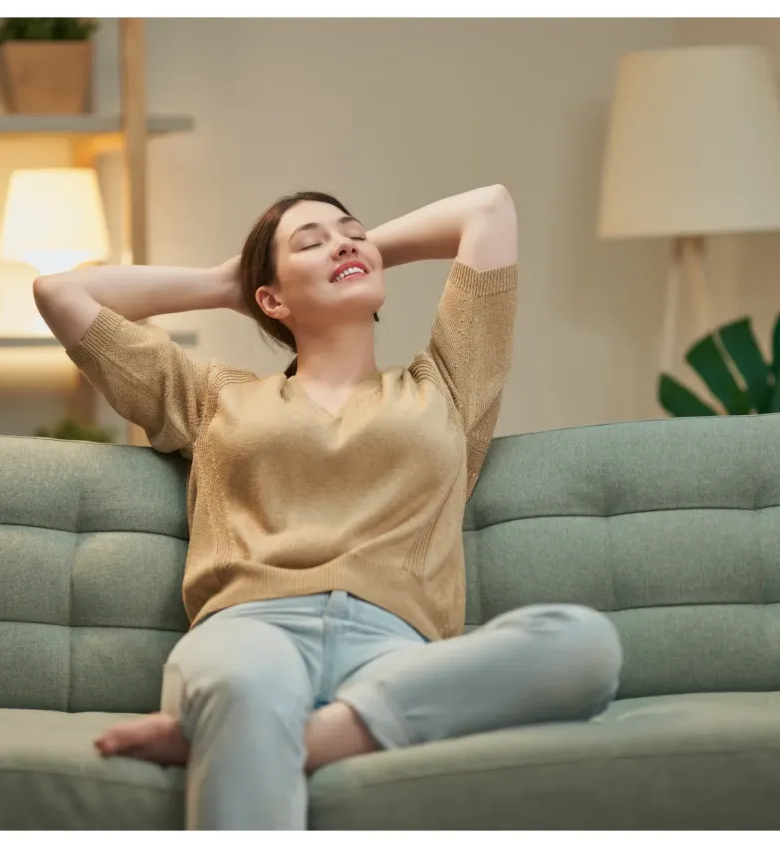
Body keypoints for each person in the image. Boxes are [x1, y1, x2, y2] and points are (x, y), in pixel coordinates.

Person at [33, 185, 622, 830]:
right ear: (271, 300)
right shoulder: (212, 399)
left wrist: (355, 253)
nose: (342, 241)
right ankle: (248, 720)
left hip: (397, 650)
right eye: (310, 242)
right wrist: (231, 281)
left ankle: (259, 738)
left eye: (352, 231)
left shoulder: (448, 387)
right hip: (248, 634)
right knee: (246, 686)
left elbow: (488, 210)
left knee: (585, 645)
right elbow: (61, 295)